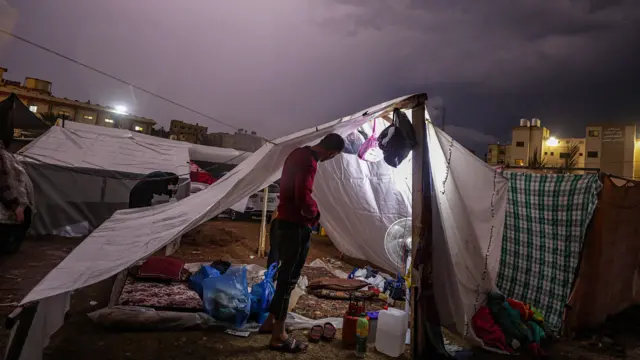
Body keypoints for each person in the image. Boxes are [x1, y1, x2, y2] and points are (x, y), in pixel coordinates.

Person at [260, 133, 345, 353]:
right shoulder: (310, 162)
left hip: (281, 222)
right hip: (294, 227)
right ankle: (278, 336)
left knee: (283, 275)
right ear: (332, 153)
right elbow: (303, 196)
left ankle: (270, 321)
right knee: (289, 280)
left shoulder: (298, 153)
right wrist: (314, 214)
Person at [0, 139, 35, 254]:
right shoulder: (6, 157)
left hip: (10, 212)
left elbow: (5, 184)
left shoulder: (4, 157)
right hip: (9, 214)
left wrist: (16, 206)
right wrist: (17, 206)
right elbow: (4, 184)